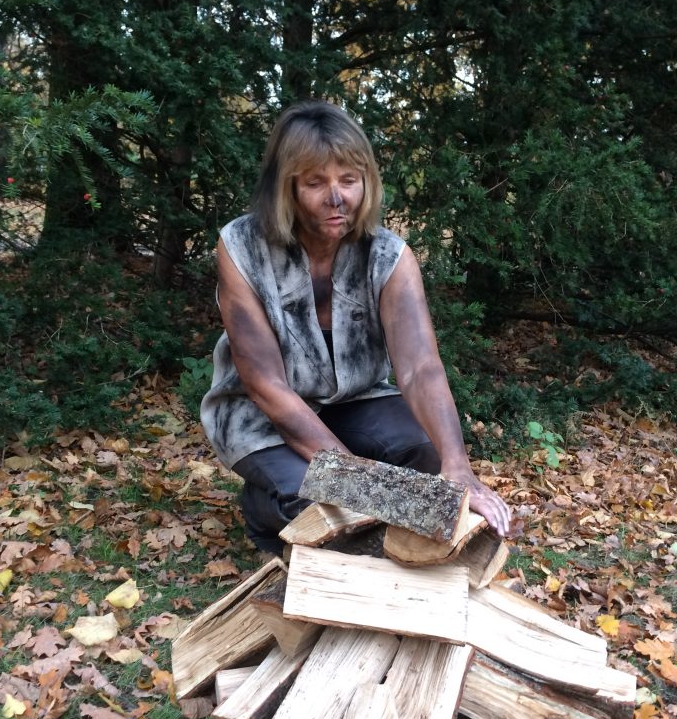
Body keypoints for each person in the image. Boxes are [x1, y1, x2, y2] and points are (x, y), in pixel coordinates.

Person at [200, 100, 511, 555]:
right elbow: (266, 386)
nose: (336, 197)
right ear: (286, 188)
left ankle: (354, 509)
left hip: (353, 402)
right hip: (259, 417)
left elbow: (420, 368)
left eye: (349, 180)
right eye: (315, 182)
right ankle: (264, 507)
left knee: (424, 449)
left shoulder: (389, 256)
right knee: (315, 500)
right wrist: (357, 480)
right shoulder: (240, 247)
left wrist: (458, 467)